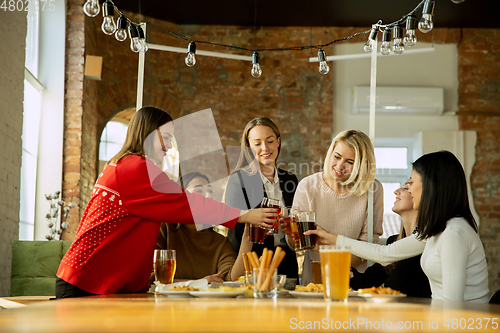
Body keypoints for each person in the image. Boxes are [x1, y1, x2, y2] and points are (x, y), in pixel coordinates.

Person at [55, 106, 276, 298]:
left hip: (89, 279)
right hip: (86, 282)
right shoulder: (137, 168)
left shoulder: (120, 165)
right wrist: (244, 215)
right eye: (167, 137)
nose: (169, 146)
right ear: (150, 134)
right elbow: (186, 202)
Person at [306, 150, 489, 303]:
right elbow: (385, 254)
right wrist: (329, 237)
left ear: (430, 187)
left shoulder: (453, 233)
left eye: (412, 181)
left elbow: (452, 307)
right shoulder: (437, 230)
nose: (407, 189)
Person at [292, 129, 383, 282]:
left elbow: (367, 247)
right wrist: (291, 233)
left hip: (352, 281)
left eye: (350, 162)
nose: (340, 166)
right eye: (337, 157)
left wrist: (327, 250)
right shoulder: (307, 185)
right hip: (313, 282)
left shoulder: (373, 190)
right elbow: (295, 243)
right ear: (330, 153)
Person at [224, 117, 299, 278]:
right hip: (253, 264)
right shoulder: (239, 179)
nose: (265, 148)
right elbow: (235, 229)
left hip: (286, 264)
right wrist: (260, 226)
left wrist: (292, 228)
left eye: (270, 141)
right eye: (257, 144)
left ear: (278, 141)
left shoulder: (290, 179)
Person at [155, 172, 252, 282]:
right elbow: (151, 278)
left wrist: (247, 240)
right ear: (181, 198)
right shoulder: (164, 230)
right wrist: (200, 283)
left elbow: (231, 280)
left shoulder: (220, 242)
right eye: (198, 191)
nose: (208, 196)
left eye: (210, 191)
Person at [349, 180, 431, 298]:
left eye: (405, 188)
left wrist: (334, 239)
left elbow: (391, 288)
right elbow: (367, 282)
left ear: (418, 197)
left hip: (421, 314)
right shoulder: (394, 241)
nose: (396, 191)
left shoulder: (422, 242)